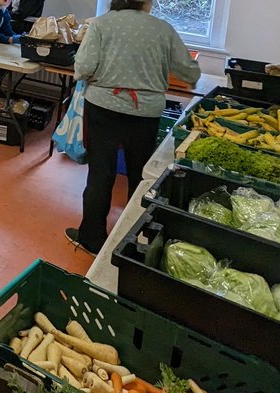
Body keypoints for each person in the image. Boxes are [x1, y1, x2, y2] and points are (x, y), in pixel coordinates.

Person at [65, 0, 200, 254]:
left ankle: (91, 240)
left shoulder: (101, 25)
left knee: (100, 175)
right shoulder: (163, 29)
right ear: (146, 2)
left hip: (103, 108)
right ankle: (136, 242)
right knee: (141, 177)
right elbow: (190, 73)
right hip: (145, 113)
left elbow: (82, 67)